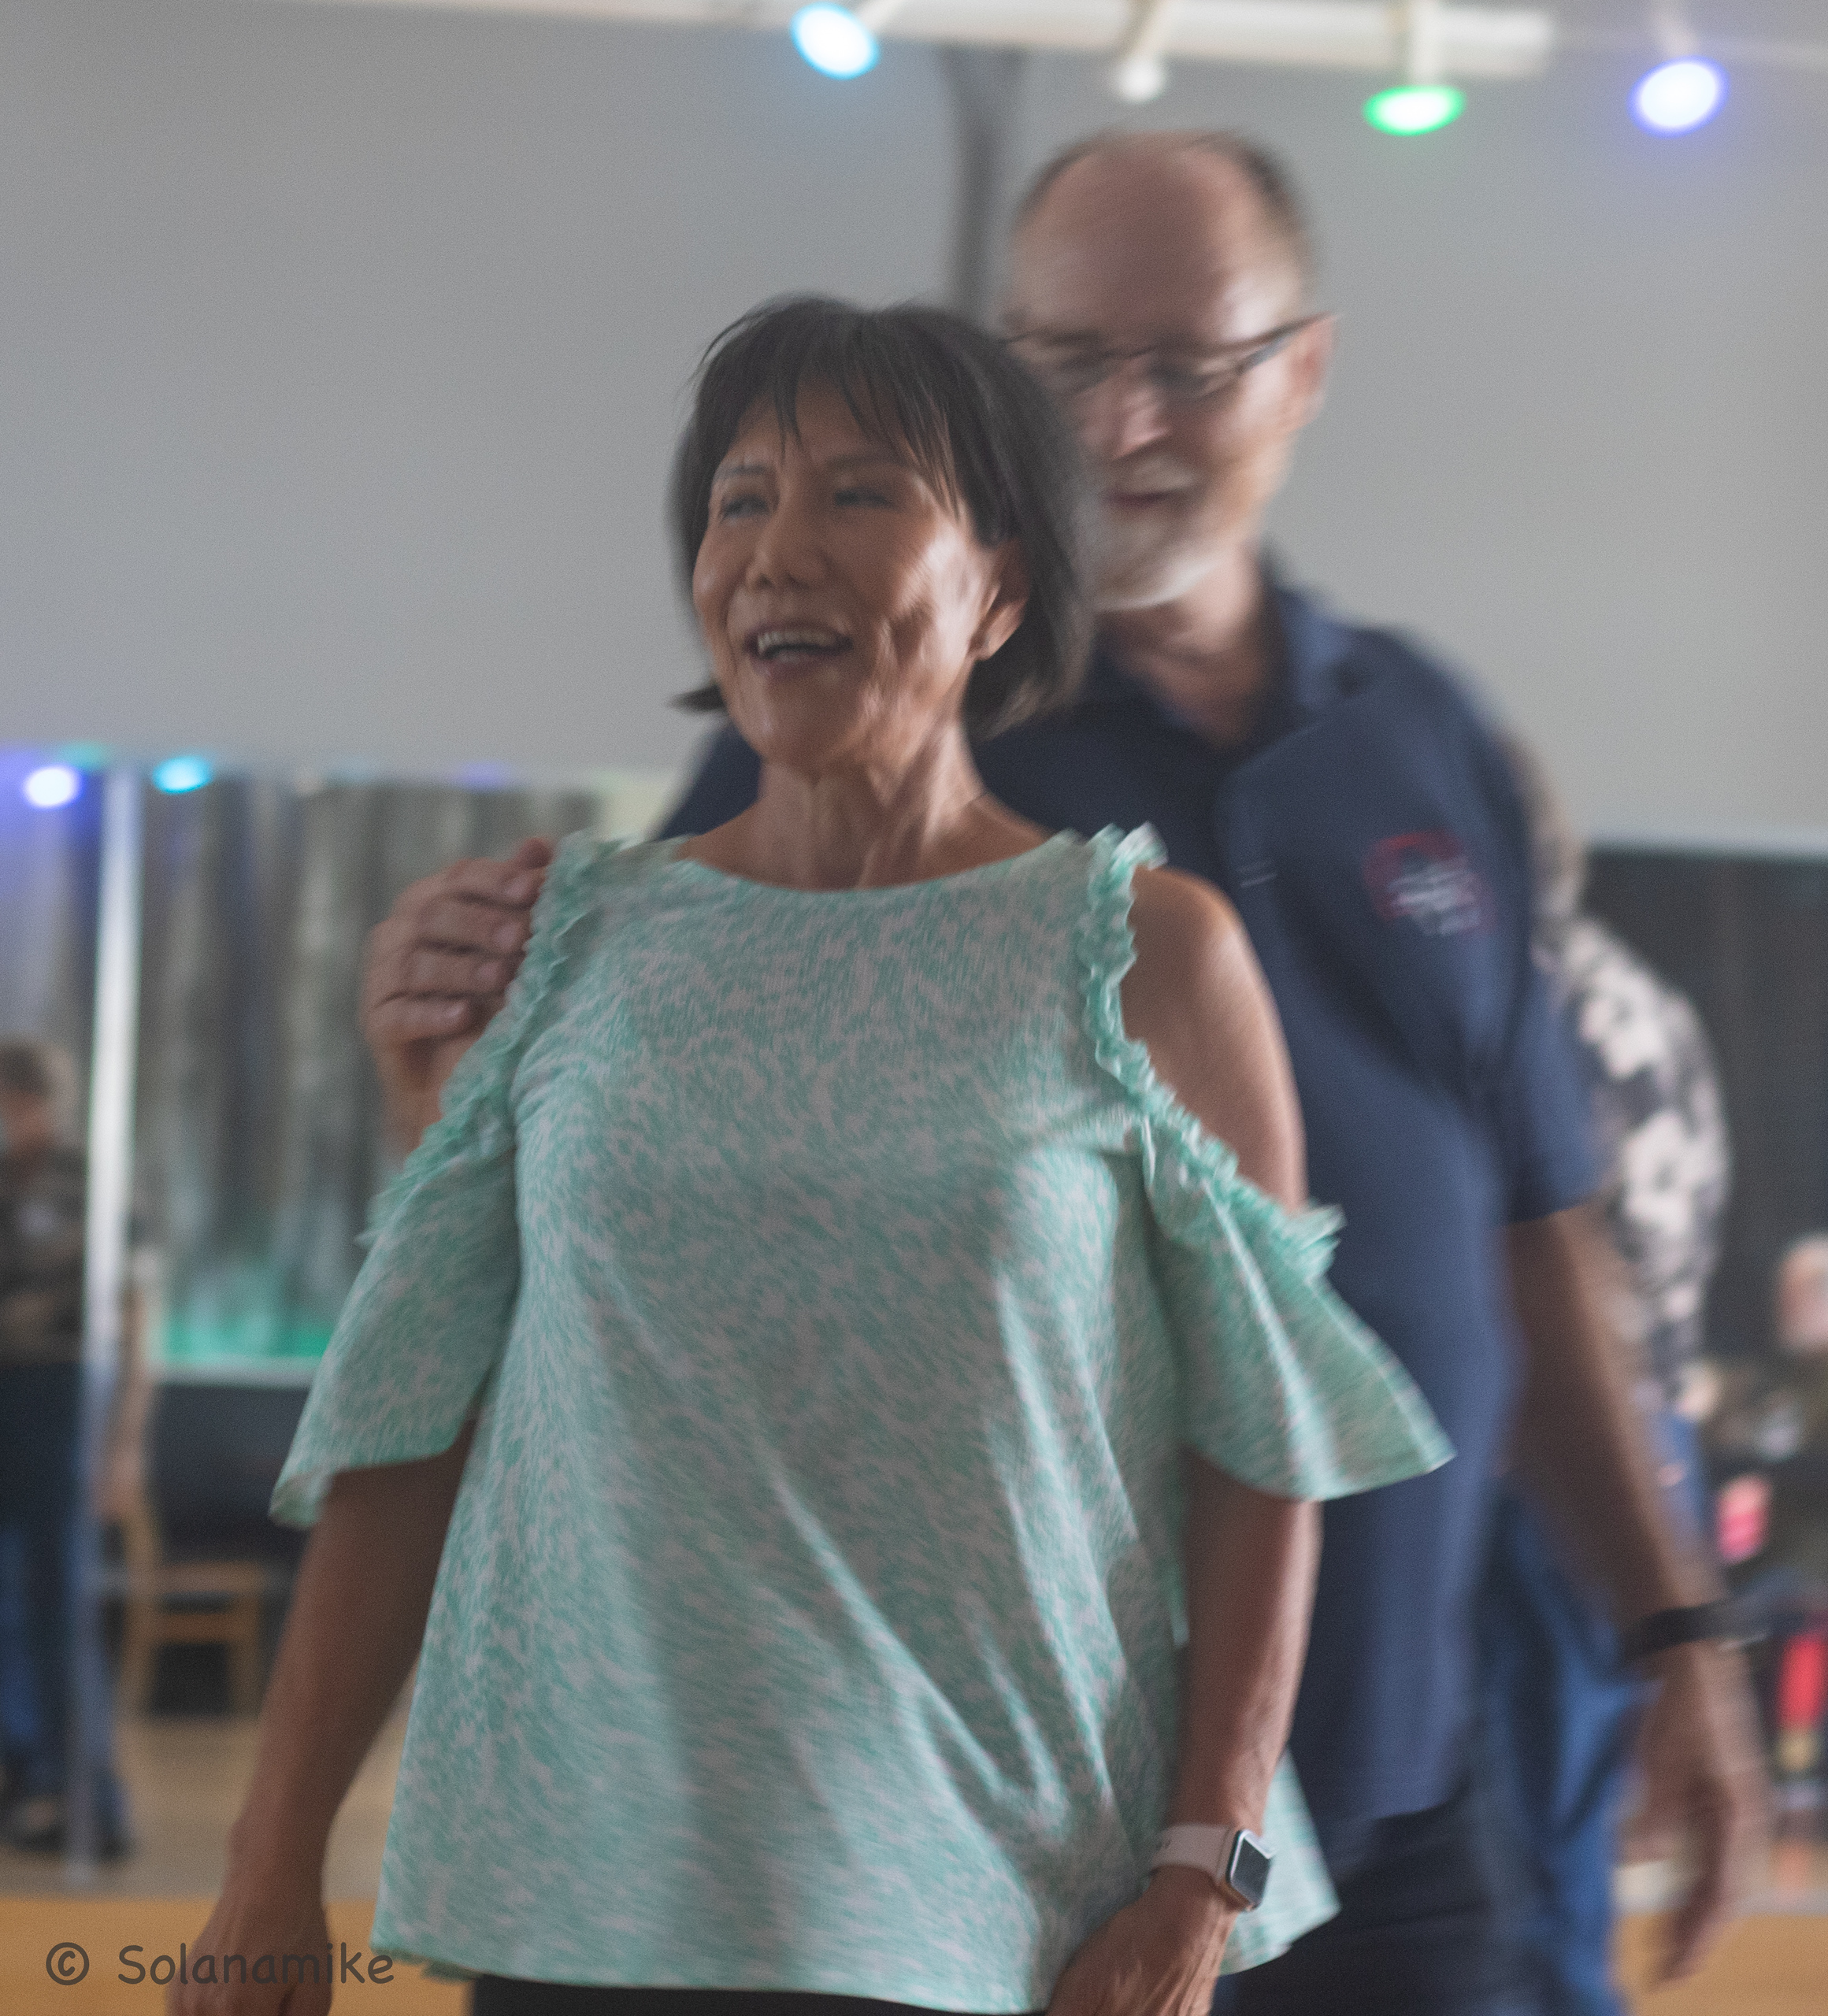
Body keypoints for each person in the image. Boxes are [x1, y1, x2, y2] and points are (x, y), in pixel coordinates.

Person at [362, 134, 1767, 2013]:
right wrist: (442, 1076)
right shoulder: (878, 725)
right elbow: (628, 1233)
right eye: (1065, 361)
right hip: (1020, 1842)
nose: (1121, 423)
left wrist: (1671, 1624)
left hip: (1399, 1797)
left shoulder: (1417, 731)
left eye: (1186, 364)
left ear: (1303, 368)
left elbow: (1534, 1234)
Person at [177, 299, 1449, 2015]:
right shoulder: (563, 947)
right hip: (586, 1903)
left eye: (859, 494)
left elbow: (1263, 1453)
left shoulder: (1147, 952)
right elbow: (416, 1424)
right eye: (739, 500)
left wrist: (1200, 1874)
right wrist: (269, 1861)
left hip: (995, 1908)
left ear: (998, 587)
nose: (778, 549)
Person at [1480, 736, 1733, 2015]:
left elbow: (1537, 1263)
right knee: (1566, 1830)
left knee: (1523, 1848)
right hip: (1659, 1445)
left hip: (1566, 1460)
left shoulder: (1529, 1007)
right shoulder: (1652, 1000)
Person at [0, 1035, 135, 1859]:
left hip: (61, 1392)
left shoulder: (92, 1180)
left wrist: (125, 1444)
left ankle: (89, 1794)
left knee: (60, 1600)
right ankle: (28, 1777)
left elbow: (136, 1309)